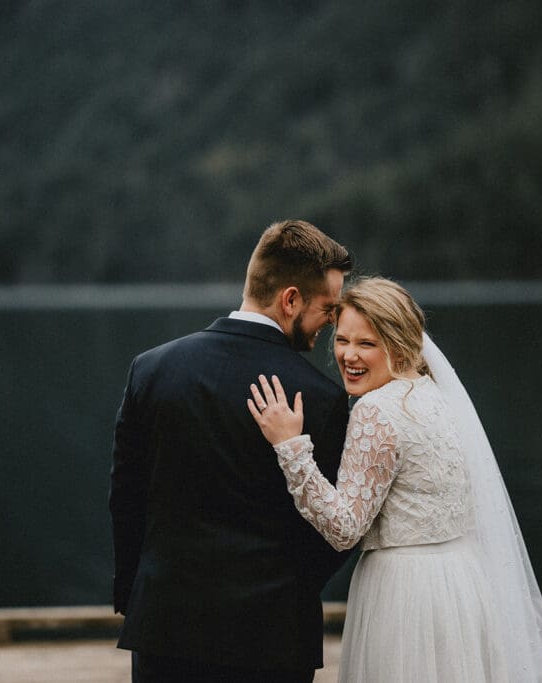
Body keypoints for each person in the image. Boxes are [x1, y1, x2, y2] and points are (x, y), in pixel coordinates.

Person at [248, 277, 542, 682]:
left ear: (398, 345)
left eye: (366, 344)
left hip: (405, 596)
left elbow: (344, 528)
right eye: (342, 340)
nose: (349, 356)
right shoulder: (436, 395)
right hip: (461, 584)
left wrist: (291, 448)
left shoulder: (374, 412)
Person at [109, 220, 354, 683]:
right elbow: (334, 529)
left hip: (165, 625)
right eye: (329, 307)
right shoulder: (320, 397)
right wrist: (289, 591)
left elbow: (127, 496)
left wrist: (134, 591)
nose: (333, 321)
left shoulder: (152, 370)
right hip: (273, 635)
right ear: (290, 300)